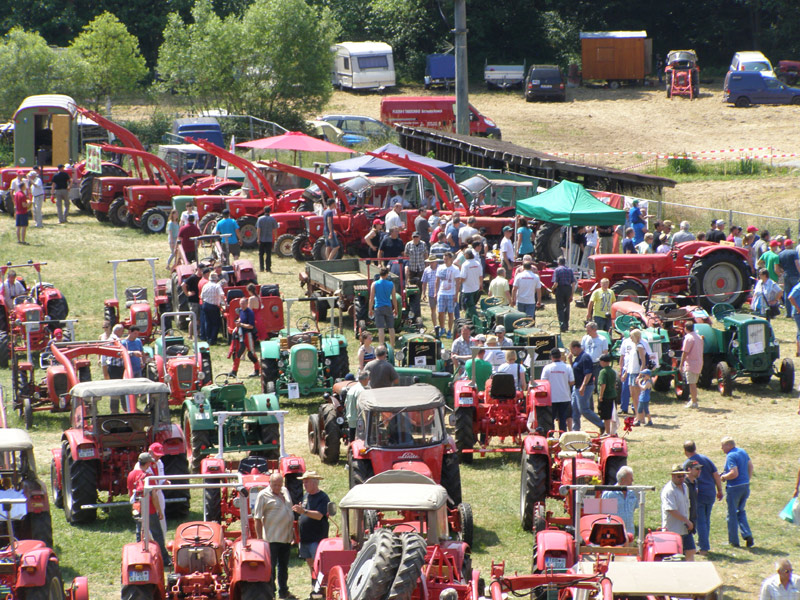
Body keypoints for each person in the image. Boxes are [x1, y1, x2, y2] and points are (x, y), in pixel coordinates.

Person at [254, 472, 294, 600]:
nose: (277, 487)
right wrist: (260, 539)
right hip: (271, 539)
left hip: (286, 538)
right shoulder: (263, 495)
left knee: (283, 567)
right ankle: (271, 593)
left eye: (279, 484)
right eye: (275, 484)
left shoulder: (285, 491)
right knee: (271, 569)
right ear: (269, 483)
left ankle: (284, 591)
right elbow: (257, 518)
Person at [127, 453, 170, 566]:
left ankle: (139, 556)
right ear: (147, 463)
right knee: (157, 534)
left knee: (139, 532)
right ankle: (165, 559)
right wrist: (159, 511)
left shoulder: (131, 475)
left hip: (137, 509)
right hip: (149, 510)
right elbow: (154, 497)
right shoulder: (148, 478)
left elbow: (130, 492)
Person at [682, 440, 723, 556]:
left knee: (700, 521)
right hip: (710, 493)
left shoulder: (688, 463)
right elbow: (716, 474)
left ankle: (704, 547)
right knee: (706, 519)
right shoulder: (706, 459)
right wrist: (719, 490)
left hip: (698, 495)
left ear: (685, 451)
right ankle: (703, 541)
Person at [293, 472, 330, 582]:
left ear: (315, 482)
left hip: (316, 538)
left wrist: (303, 511)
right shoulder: (306, 496)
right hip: (305, 538)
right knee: (310, 564)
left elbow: (319, 515)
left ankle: (321, 588)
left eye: (307, 482)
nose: (304, 484)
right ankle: (315, 586)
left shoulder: (323, 497)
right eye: (303, 482)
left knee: (318, 564)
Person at [720, 436, 754, 548]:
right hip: (745, 486)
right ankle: (747, 534)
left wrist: (724, 477)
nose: (722, 449)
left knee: (732, 514)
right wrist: (747, 480)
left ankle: (733, 541)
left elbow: (734, 473)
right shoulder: (742, 452)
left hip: (734, 487)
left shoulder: (731, 455)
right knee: (741, 511)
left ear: (729, 445)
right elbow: (750, 466)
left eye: (723, 446)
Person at [131, 443, 168, 537]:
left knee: (161, 516)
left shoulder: (160, 463)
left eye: (160, 455)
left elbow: (161, 478)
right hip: (147, 494)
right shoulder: (139, 467)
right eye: (156, 455)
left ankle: (162, 538)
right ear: (150, 452)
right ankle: (147, 539)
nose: (158, 457)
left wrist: (165, 482)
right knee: (147, 517)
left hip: (158, 492)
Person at [661, 464, 695, 561]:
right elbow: (671, 510)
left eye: (683, 476)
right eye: (679, 476)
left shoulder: (685, 487)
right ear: (673, 476)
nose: (681, 478)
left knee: (690, 551)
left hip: (684, 528)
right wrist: (687, 521)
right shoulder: (668, 490)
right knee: (674, 556)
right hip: (673, 530)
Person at [569, 340, 603, 431]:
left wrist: (583, 386)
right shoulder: (578, 358)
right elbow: (575, 369)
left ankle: (602, 424)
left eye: (571, 349)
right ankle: (575, 430)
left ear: (576, 348)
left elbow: (588, 373)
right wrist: (570, 361)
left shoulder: (585, 357)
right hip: (576, 387)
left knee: (584, 409)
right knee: (574, 410)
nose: (571, 352)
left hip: (585, 387)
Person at [541, 348, 574, 431]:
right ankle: (562, 435)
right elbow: (572, 382)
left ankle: (551, 435)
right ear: (560, 356)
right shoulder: (567, 367)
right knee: (563, 419)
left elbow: (543, 382)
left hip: (551, 397)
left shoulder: (547, 368)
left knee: (550, 419)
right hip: (564, 397)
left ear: (551, 357)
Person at [228, 296, 260, 378]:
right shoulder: (241, 310)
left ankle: (257, 370)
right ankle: (234, 371)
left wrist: (241, 324)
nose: (241, 305)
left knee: (251, 353)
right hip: (241, 334)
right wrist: (238, 321)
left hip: (248, 334)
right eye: (240, 303)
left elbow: (251, 326)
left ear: (246, 304)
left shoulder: (250, 313)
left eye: (243, 303)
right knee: (237, 353)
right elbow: (241, 318)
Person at [601, 466, 638, 535]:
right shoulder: (609, 494)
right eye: (630, 478)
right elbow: (603, 514)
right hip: (614, 533)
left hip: (629, 533)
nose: (633, 480)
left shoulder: (632, 493)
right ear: (623, 480)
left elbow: (633, 509)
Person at [368, 267, 397, 348]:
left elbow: (371, 298)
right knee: (391, 327)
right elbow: (394, 298)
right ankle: (392, 345)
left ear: (379, 274)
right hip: (388, 307)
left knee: (381, 328)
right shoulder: (391, 284)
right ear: (387, 274)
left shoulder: (374, 284)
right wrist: (396, 309)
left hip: (378, 307)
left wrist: (370, 309)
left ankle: (381, 345)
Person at [621, 329, 646, 419]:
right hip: (631, 372)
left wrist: (640, 374)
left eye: (632, 336)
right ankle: (637, 416)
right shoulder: (632, 346)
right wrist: (625, 373)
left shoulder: (640, 346)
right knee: (633, 395)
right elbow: (629, 361)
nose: (630, 338)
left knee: (638, 395)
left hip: (636, 372)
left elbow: (643, 362)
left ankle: (641, 416)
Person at [435, 252, 460, 338]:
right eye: (444, 259)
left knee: (450, 313)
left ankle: (449, 330)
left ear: (451, 259)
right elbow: (437, 280)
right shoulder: (440, 267)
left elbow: (458, 282)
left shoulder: (455, 269)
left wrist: (456, 294)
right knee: (440, 312)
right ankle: (442, 328)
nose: (445, 260)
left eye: (446, 259)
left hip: (451, 293)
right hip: (441, 292)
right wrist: (436, 292)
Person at [679, 322, 703, 409]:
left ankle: (694, 402)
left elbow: (685, 352)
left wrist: (681, 364)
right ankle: (693, 400)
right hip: (699, 362)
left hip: (691, 363)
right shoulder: (698, 337)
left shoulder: (688, 338)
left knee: (692, 384)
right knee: (694, 383)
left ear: (686, 328)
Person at [200, 272, 225, 344]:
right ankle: (213, 339)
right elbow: (222, 295)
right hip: (213, 306)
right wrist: (223, 303)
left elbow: (202, 296)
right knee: (216, 323)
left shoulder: (205, 286)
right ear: (216, 279)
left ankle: (208, 338)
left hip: (205, 305)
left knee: (208, 322)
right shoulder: (217, 286)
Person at [596, 353, 617, 434]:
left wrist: (600, 395)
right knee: (612, 414)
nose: (600, 363)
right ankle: (613, 431)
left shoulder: (603, 372)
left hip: (606, 396)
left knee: (606, 416)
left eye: (600, 361)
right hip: (613, 394)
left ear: (604, 362)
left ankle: (608, 432)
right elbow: (615, 384)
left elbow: (603, 384)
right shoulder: (613, 371)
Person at [778, 239, 800, 317]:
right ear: (790, 245)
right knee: (797, 293)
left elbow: (779, 266)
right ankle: (797, 310)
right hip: (795, 275)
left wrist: (783, 271)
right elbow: (797, 264)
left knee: (787, 294)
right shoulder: (794, 253)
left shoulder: (780, 254)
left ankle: (788, 313)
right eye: (792, 244)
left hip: (786, 275)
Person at [552, 257, 575, 332]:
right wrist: (572, 294)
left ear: (558, 262)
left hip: (560, 289)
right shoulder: (570, 270)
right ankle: (567, 324)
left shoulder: (557, 270)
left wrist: (552, 289)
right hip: (568, 288)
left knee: (560, 308)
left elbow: (555, 283)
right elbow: (573, 283)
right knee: (567, 307)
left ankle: (562, 326)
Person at [182, 264, 204, 338]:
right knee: (193, 318)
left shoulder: (202, 278)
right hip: (193, 301)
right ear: (198, 269)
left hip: (199, 300)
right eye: (201, 269)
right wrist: (187, 293)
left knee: (199, 319)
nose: (202, 271)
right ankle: (190, 335)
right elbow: (183, 285)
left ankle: (197, 334)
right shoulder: (192, 277)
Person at [346, 372, 370, 440]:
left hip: (350, 416)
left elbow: (346, 403)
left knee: (352, 436)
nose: (368, 381)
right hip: (358, 419)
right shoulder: (361, 390)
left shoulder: (352, 388)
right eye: (368, 379)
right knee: (359, 439)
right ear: (365, 379)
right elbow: (358, 406)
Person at [459, 249, 483, 313]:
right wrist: (481, 284)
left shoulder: (465, 265)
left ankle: (474, 317)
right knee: (472, 305)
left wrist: (458, 283)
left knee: (469, 306)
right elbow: (481, 276)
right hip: (476, 288)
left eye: (464, 254)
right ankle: (469, 317)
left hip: (467, 289)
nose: (464, 255)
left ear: (467, 255)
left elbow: (463, 278)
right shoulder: (477, 263)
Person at [256, 206, 278, 273]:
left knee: (261, 254)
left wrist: (258, 238)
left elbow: (258, 229)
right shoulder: (272, 219)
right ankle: (268, 268)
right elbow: (275, 229)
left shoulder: (260, 219)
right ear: (270, 211)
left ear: (264, 211)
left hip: (262, 239)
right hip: (269, 239)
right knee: (268, 254)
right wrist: (276, 238)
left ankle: (261, 268)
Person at [420, 256, 439, 325]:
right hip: (431, 293)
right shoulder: (426, 270)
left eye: (432, 262)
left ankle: (442, 326)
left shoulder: (441, 269)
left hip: (440, 293)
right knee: (433, 309)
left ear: (436, 262)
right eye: (430, 262)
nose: (431, 263)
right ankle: (435, 326)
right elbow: (424, 282)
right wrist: (424, 293)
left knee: (441, 311)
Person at [14, 179, 29, 244]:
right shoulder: (22, 195)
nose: (25, 187)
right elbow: (24, 205)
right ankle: (23, 240)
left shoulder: (17, 194)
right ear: (22, 187)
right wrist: (28, 203)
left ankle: (18, 240)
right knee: (24, 227)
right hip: (23, 212)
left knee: (18, 227)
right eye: (25, 186)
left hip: (18, 212)